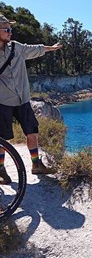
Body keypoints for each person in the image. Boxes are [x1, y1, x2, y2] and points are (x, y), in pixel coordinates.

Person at [0, 14, 63, 184]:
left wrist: (52, 48)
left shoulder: (16, 47)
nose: (10, 32)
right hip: (3, 101)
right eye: (6, 29)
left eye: (10, 29)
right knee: (1, 139)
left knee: (32, 132)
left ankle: (36, 165)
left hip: (23, 99)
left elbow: (34, 49)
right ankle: (1, 171)